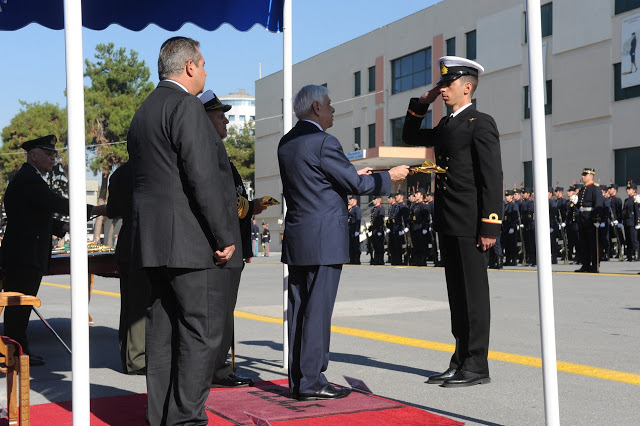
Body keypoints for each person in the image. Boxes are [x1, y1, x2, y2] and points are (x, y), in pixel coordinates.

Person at [127, 36, 241, 425]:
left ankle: (161, 416)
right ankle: (187, 419)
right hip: (192, 245)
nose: (206, 72)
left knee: (163, 336)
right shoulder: (186, 106)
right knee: (200, 334)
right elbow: (202, 176)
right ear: (190, 66)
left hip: (154, 245)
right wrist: (223, 234)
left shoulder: (144, 110)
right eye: (204, 65)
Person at [278, 84, 409, 400]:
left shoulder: (286, 142)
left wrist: (352, 173)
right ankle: (312, 381)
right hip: (324, 238)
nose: (333, 109)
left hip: (299, 236)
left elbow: (318, 181)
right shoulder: (324, 141)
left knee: (299, 309)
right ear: (317, 108)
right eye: (330, 104)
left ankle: (299, 380)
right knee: (318, 311)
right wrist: (389, 176)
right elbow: (356, 184)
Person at [402, 56, 503, 387]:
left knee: (474, 297)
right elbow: (409, 137)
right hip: (448, 220)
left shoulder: (480, 122)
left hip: (472, 222)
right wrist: (421, 104)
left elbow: (492, 176)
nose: (442, 89)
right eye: (441, 85)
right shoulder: (447, 125)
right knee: (457, 297)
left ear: (467, 86)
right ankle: (459, 359)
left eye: (447, 85)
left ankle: (477, 365)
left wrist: (490, 224)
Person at [1, 135, 95, 367]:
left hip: (25, 252)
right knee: (18, 307)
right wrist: (94, 209)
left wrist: (61, 226)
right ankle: (14, 354)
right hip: (25, 255)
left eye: (54, 155)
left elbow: (33, 217)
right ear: (34, 155)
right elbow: (55, 203)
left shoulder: (29, 178)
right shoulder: (29, 180)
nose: (54, 159)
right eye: (49, 154)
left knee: (20, 308)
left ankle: (16, 351)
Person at [200, 89, 269, 388]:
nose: (226, 121)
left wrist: (250, 207)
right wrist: (246, 208)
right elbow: (217, 202)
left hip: (231, 244)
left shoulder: (218, 153)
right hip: (221, 247)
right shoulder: (206, 153)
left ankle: (219, 368)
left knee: (223, 312)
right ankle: (217, 371)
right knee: (218, 314)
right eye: (220, 116)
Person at [93, 161, 151, 375]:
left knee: (130, 303)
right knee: (140, 304)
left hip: (128, 241)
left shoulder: (119, 174)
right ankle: (137, 359)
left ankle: (130, 357)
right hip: (145, 242)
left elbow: (114, 210)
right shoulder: (150, 166)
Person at [574, 168, 604, 273]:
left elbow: (598, 204)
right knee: (584, 243)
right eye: (583, 175)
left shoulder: (595, 188)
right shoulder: (583, 189)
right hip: (583, 218)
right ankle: (585, 264)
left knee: (593, 243)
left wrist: (596, 219)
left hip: (590, 219)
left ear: (591, 176)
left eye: (585, 175)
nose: (583, 176)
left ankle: (595, 265)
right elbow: (580, 205)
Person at [623, 182, 639, 261]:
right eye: (627, 189)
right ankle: (629, 256)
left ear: (634, 190)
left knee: (634, 240)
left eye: (629, 189)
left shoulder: (635, 199)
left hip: (633, 222)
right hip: (627, 222)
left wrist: (637, 222)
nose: (627, 190)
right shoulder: (626, 200)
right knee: (628, 240)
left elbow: (637, 212)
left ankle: (636, 255)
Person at [369, 195, 386, 265]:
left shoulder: (381, 208)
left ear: (378, 200)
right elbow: (373, 221)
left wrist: (380, 230)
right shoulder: (374, 209)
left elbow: (381, 220)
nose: (373, 201)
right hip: (374, 230)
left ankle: (380, 259)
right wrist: (369, 228)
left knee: (380, 246)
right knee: (375, 245)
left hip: (379, 230)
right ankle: (376, 259)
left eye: (374, 199)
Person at [347, 196, 362, 264]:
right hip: (350, 228)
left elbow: (358, 220)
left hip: (354, 229)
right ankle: (352, 259)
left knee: (355, 245)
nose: (349, 201)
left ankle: (357, 260)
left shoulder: (357, 209)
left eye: (351, 199)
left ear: (355, 200)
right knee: (350, 245)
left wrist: (357, 230)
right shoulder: (351, 208)